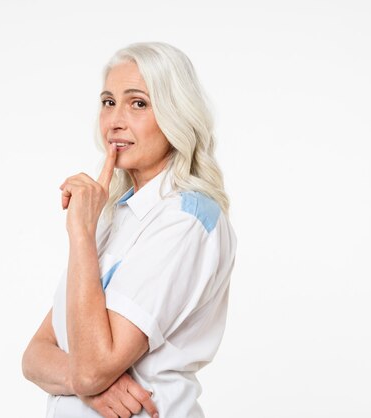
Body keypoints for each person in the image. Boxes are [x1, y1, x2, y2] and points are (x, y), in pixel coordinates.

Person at [22, 42, 237, 418]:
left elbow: (92, 368)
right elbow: (35, 355)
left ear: (176, 114)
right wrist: (85, 382)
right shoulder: (114, 216)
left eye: (138, 103)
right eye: (108, 102)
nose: (115, 121)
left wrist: (81, 235)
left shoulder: (186, 218)